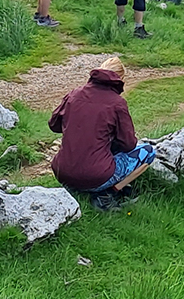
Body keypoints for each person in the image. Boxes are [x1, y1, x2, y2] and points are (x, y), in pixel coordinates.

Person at [49, 56, 156, 212]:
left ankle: (75, 188)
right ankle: (107, 194)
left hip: (62, 172)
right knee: (149, 152)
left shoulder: (74, 94)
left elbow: (54, 125)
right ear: (120, 78)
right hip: (95, 176)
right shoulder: (117, 103)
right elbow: (129, 144)